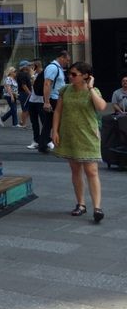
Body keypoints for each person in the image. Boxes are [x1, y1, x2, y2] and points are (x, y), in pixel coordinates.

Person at [52, 61, 107, 222]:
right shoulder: (65, 90)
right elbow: (57, 112)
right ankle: (81, 204)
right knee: (75, 170)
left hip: (88, 135)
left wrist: (90, 88)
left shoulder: (93, 91)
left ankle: (97, 207)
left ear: (85, 76)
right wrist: (55, 130)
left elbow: (102, 107)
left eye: (74, 74)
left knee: (92, 171)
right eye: (69, 73)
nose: (70, 76)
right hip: (69, 134)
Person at [39, 50, 71, 153]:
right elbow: (47, 84)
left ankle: (44, 144)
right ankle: (49, 143)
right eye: (67, 60)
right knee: (55, 122)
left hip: (56, 98)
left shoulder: (57, 68)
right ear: (61, 57)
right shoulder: (53, 68)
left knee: (49, 123)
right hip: (53, 99)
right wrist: (47, 102)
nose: (67, 62)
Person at [27, 59, 44, 149]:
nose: (30, 68)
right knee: (34, 122)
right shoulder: (32, 75)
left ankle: (47, 140)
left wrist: (32, 76)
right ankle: (36, 140)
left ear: (35, 66)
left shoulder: (42, 75)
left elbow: (36, 85)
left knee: (44, 121)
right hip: (32, 100)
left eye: (31, 66)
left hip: (41, 101)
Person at [16, 60, 33, 128]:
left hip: (26, 93)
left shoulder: (27, 74)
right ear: (24, 67)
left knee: (28, 109)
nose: (30, 67)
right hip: (24, 93)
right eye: (28, 65)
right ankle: (23, 124)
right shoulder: (21, 74)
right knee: (25, 109)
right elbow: (24, 85)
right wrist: (29, 93)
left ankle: (22, 121)